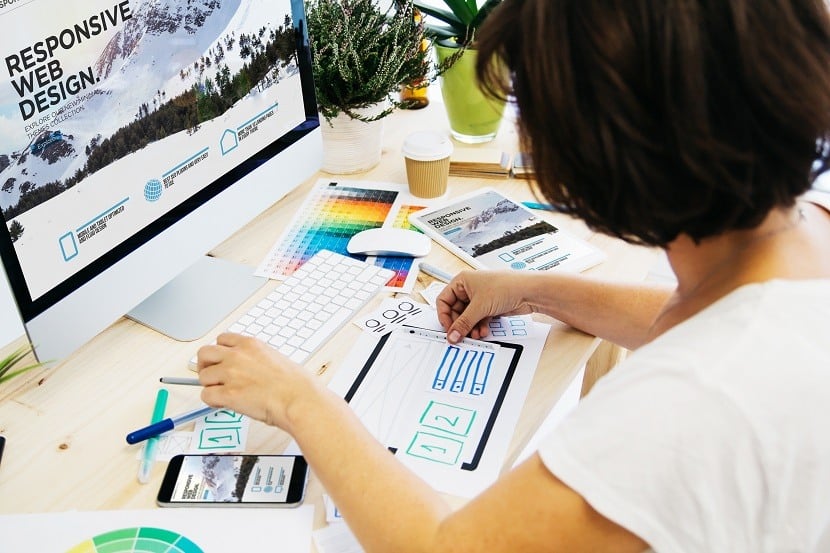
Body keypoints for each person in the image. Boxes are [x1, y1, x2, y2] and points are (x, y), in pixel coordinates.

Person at [196, 0, 830, 550]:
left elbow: (441, 546)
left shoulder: (691, 400)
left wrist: (297, 399)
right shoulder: (805, 230)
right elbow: (700, 319)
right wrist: (534, 289)